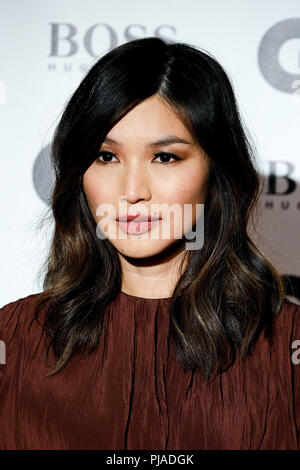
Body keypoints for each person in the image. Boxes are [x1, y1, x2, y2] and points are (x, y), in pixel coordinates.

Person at [0, 37, 299, 450]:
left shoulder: (286, 345)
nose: (133, 190)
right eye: (106, 156)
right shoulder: (14, 341)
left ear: (217, 171)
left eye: (165, 157)